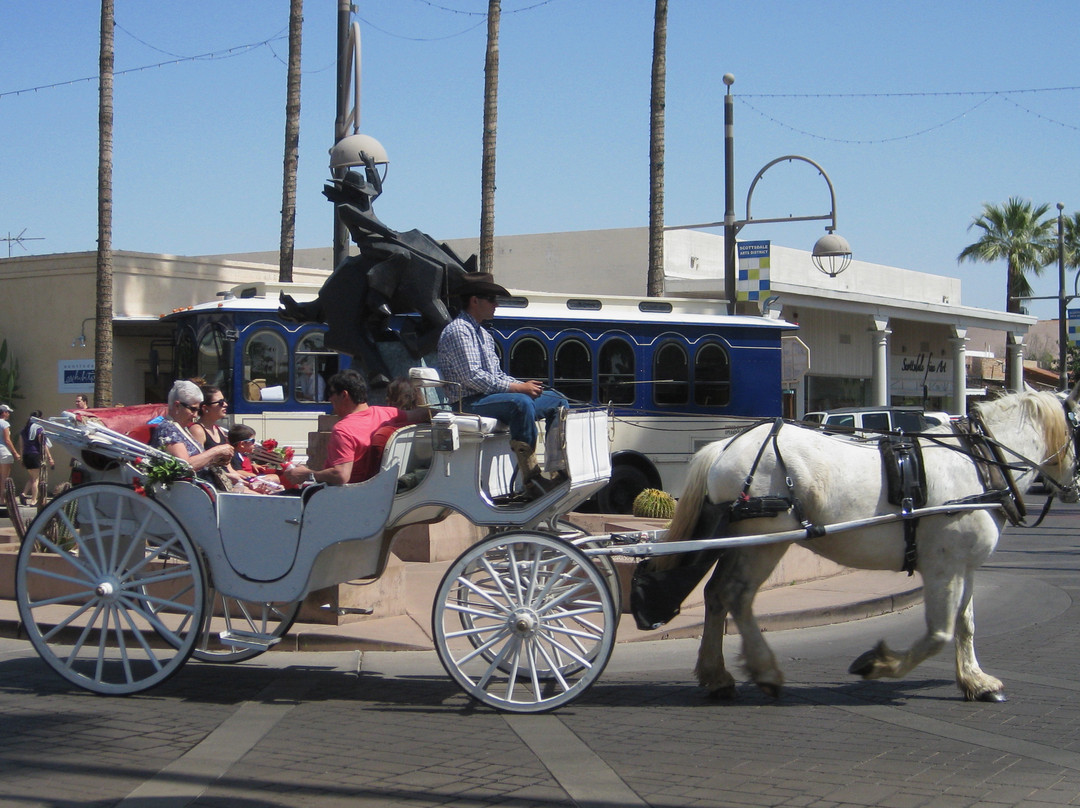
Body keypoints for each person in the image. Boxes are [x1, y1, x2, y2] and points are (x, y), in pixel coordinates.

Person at [437, 273, 568, 494]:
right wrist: (519, 389)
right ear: (474, 300)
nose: (496, 304)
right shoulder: (459, 331)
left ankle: (558, 470)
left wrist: (526, 386)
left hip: (488, 398)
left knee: (557, 400)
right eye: (491, 298)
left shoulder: (483, 334)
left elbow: (497, 375)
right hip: (467, 403)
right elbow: (472, 377)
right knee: (520, 403)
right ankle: (531, 478)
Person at [282, 369, 428, 487]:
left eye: (331, 393)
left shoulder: (343, 430)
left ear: (344, 395)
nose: (329, 399)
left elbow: (341, 475)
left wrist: (307, 473)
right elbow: (422, 414)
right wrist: (448, 414)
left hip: (344, 498)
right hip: (380, 490)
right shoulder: (387, 413)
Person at [151, 380, 234, 488]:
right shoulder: (168, 429)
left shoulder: (182, 429)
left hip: (204, 486)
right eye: (193, 409)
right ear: (177, 406)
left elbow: (198, 461)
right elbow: (185, 465)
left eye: (198, 410)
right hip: (192, 490)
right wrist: (217, 450)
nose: (196, 415)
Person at [18, 410, 54, 505]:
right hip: (35, 454)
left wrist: (22, 459)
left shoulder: (24, 430)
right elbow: (43, 444)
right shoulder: (39, 429)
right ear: (39, 419)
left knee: (32, 477)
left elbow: (21, 446)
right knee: (36, 479)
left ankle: (23, 493)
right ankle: (33, 500)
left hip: (26, 455)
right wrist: (50, 457)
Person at [0, 404, 19, 491]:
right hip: (3, 452)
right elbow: (7, 440)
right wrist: (15, 453)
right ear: (3, 413)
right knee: (4, 477)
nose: (8, 414)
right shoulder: (5, 423)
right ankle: (2, 499)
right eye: (8, 412)